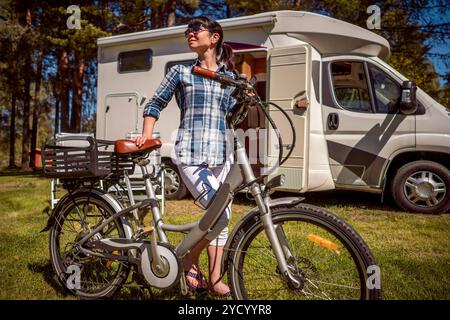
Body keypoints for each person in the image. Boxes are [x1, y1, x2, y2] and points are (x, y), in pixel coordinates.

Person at [134, 16, 238, 297]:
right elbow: (155, 102)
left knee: (221, 217)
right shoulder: (181, 72)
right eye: (187, 30)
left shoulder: (228, 77)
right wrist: (146, 133)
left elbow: (232, 112)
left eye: (196, 29)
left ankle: (215, 278)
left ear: (214, 38)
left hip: (221, 154)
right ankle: (189, 260)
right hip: (191, 153)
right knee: (221, 214)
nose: (189, 33)